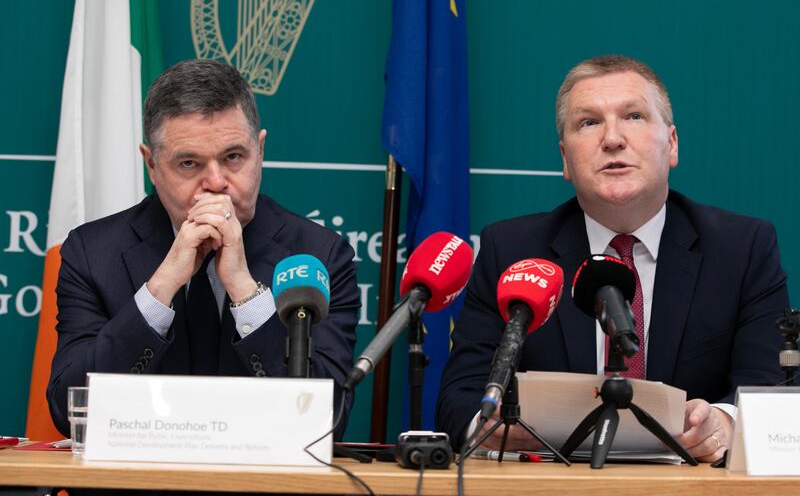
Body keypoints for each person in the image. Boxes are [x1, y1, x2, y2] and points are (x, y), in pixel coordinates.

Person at [436, 55, 788, 463]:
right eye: (589, 122)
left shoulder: (742, 249)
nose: (613, 139)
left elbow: (768, 392)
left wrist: (724, 425)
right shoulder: (511, 251)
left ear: (671, 144)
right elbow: (460, 400)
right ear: (566, 159)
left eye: (634, 116)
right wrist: (490, 426)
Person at [47, 59, 359, 440]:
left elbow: (327, 421)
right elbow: (70, 409)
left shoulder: (319, 256)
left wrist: (245, 291)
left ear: (259, 151)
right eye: (189, 163)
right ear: (151, 164)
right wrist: (160, 289)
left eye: (233, 157)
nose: (215, 183)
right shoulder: (92, 253)